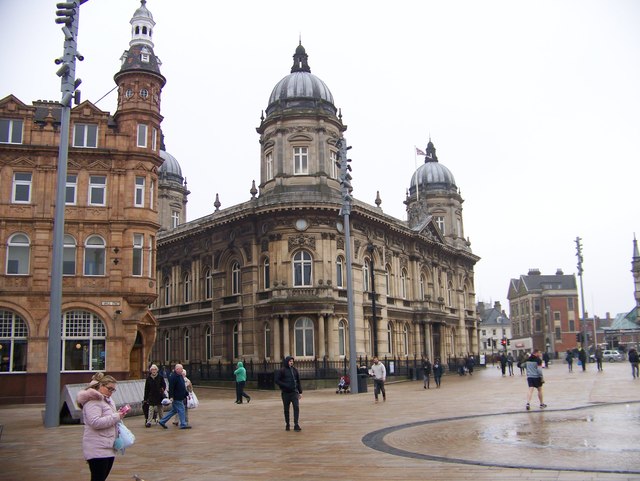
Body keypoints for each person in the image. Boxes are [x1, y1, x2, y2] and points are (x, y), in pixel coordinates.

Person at [76, 372, 126, 481]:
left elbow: (108, 417)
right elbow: (95, 422)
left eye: (113, 390)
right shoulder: (93, 401)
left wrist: (118, 414)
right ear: (101, 386)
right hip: (96, 448)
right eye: (109, 389)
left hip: (108, 446)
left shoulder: (107, 400)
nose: (111, 392)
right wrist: (116, 416)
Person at [158, 363, 191, 429]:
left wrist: (186, 394)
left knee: (174, 411)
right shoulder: (173, 377)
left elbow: (182, 386)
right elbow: (171, 388)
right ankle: (183, 424)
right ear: (177, 369)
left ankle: (162, 421)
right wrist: (171, 397)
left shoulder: (180, 375)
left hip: (180, 396)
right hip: (177, 397)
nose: (182, 370)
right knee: (182, 409)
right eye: (181, 369)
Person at [274, 356, 303, 431]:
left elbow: (298, 381)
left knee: (296, 407)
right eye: (290, 361)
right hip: (285, 393)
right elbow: (277, 380)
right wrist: (284, 385)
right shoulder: (282, 370)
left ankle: (296, 424)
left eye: (292, 361)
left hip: (294, 392)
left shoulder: (295, 370)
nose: (291, 362)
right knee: (286, 409)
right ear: (287, 362)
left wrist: (300, 392)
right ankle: (287, 424)